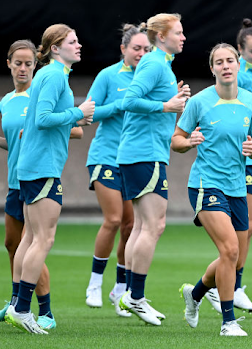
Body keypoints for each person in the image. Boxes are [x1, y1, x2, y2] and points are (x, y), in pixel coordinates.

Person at [4, 24, 95, 334]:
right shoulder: (54, 75)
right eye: (72, 41)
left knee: (29, 238)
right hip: (42, 168)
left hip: (32, 167)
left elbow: (40, 119)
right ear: (55, 48)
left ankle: (18, 305)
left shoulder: (48, 75)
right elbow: (43, 120)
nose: (78, 44)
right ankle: (23, 309)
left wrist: (78, 114)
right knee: (43, 239)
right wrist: (77, 112)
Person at [174, 43, 252, 336]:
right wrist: (189, 143)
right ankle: (228, 323)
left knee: (233, 257)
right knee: (229, 249)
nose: (226, 66)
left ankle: (196, 293)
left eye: (230, 61)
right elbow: (176, 139)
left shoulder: (251, 102)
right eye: (219, 62)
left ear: (238, 65)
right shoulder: (199, 102)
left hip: (237, 186)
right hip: (205, 183)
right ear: (212, 68)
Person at [203, 18, 252, 314]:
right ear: (239, 51)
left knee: (251, 226)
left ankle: (230, 284)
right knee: (241, 230)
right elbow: (238, 103)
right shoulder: (237, 73)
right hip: (237, 161)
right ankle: (231, 286)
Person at [116, 13, 189, 326]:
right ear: (162, 36)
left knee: (142, 226)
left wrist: (174, 101)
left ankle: (131, 294)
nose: (183, 37)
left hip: (141, 154)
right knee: (154, 226)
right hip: (145, 154)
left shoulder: (162, 65)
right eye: (178, 32)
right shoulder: (155, 62)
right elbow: (129, 100)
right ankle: (135, 297)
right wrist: (166, 106)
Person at [84, 23, 150, 317]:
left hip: (132, 160)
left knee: (130, 225)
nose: (141, 53)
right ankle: (94, 283)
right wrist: (118, 106)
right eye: (136, 48)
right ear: (123, 49)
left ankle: (120, 290)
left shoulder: (150, 76)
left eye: (146, 49)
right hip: (105, 157)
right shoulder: (108, 76)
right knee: (113, 219)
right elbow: (89, 112)